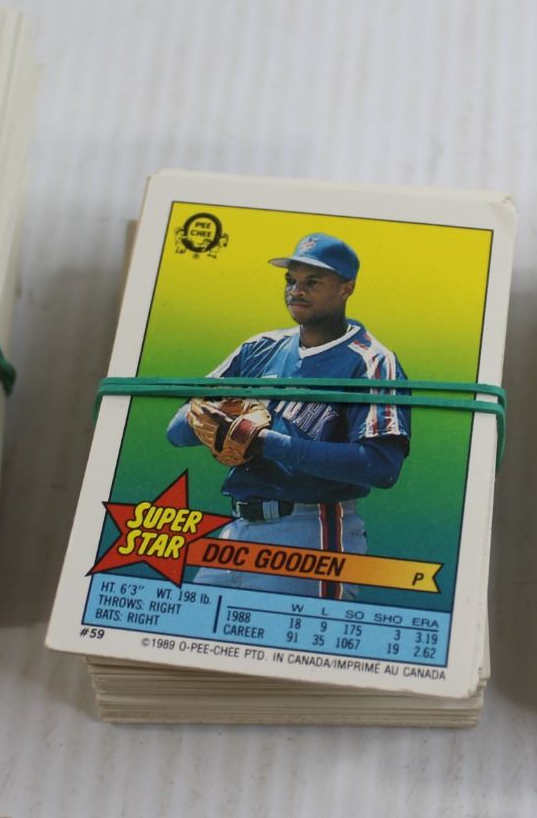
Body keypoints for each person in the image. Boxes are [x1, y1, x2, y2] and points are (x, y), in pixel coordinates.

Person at [166, 232, 409, 599]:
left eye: (313, 281)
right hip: (237, 528)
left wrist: (264, 441)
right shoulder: (259, 349)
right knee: (196, 628)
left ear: (347, 288)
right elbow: (176, 430)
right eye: (291, 280)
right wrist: (213, 423)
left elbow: (381, 467)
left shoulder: (372, 361)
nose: (297, 290)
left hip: (312, 529)